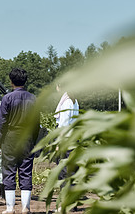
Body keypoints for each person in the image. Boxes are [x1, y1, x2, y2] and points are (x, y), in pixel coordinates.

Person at [0, 68, 39, 214]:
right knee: (26, 172)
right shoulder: (33, 98)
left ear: (11, 81)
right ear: (25, 81)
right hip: (26, 138)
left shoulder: (7, 98)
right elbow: (36, 123)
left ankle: (10, 208)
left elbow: (2, 122)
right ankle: (25, 208)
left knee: (8, 171)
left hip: (11, 138)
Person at [54, 84, 79, 213]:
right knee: (72, 173)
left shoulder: (66, 101)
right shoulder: (74, 100)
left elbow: (63, 124)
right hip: (74, 140)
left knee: (64, 174)